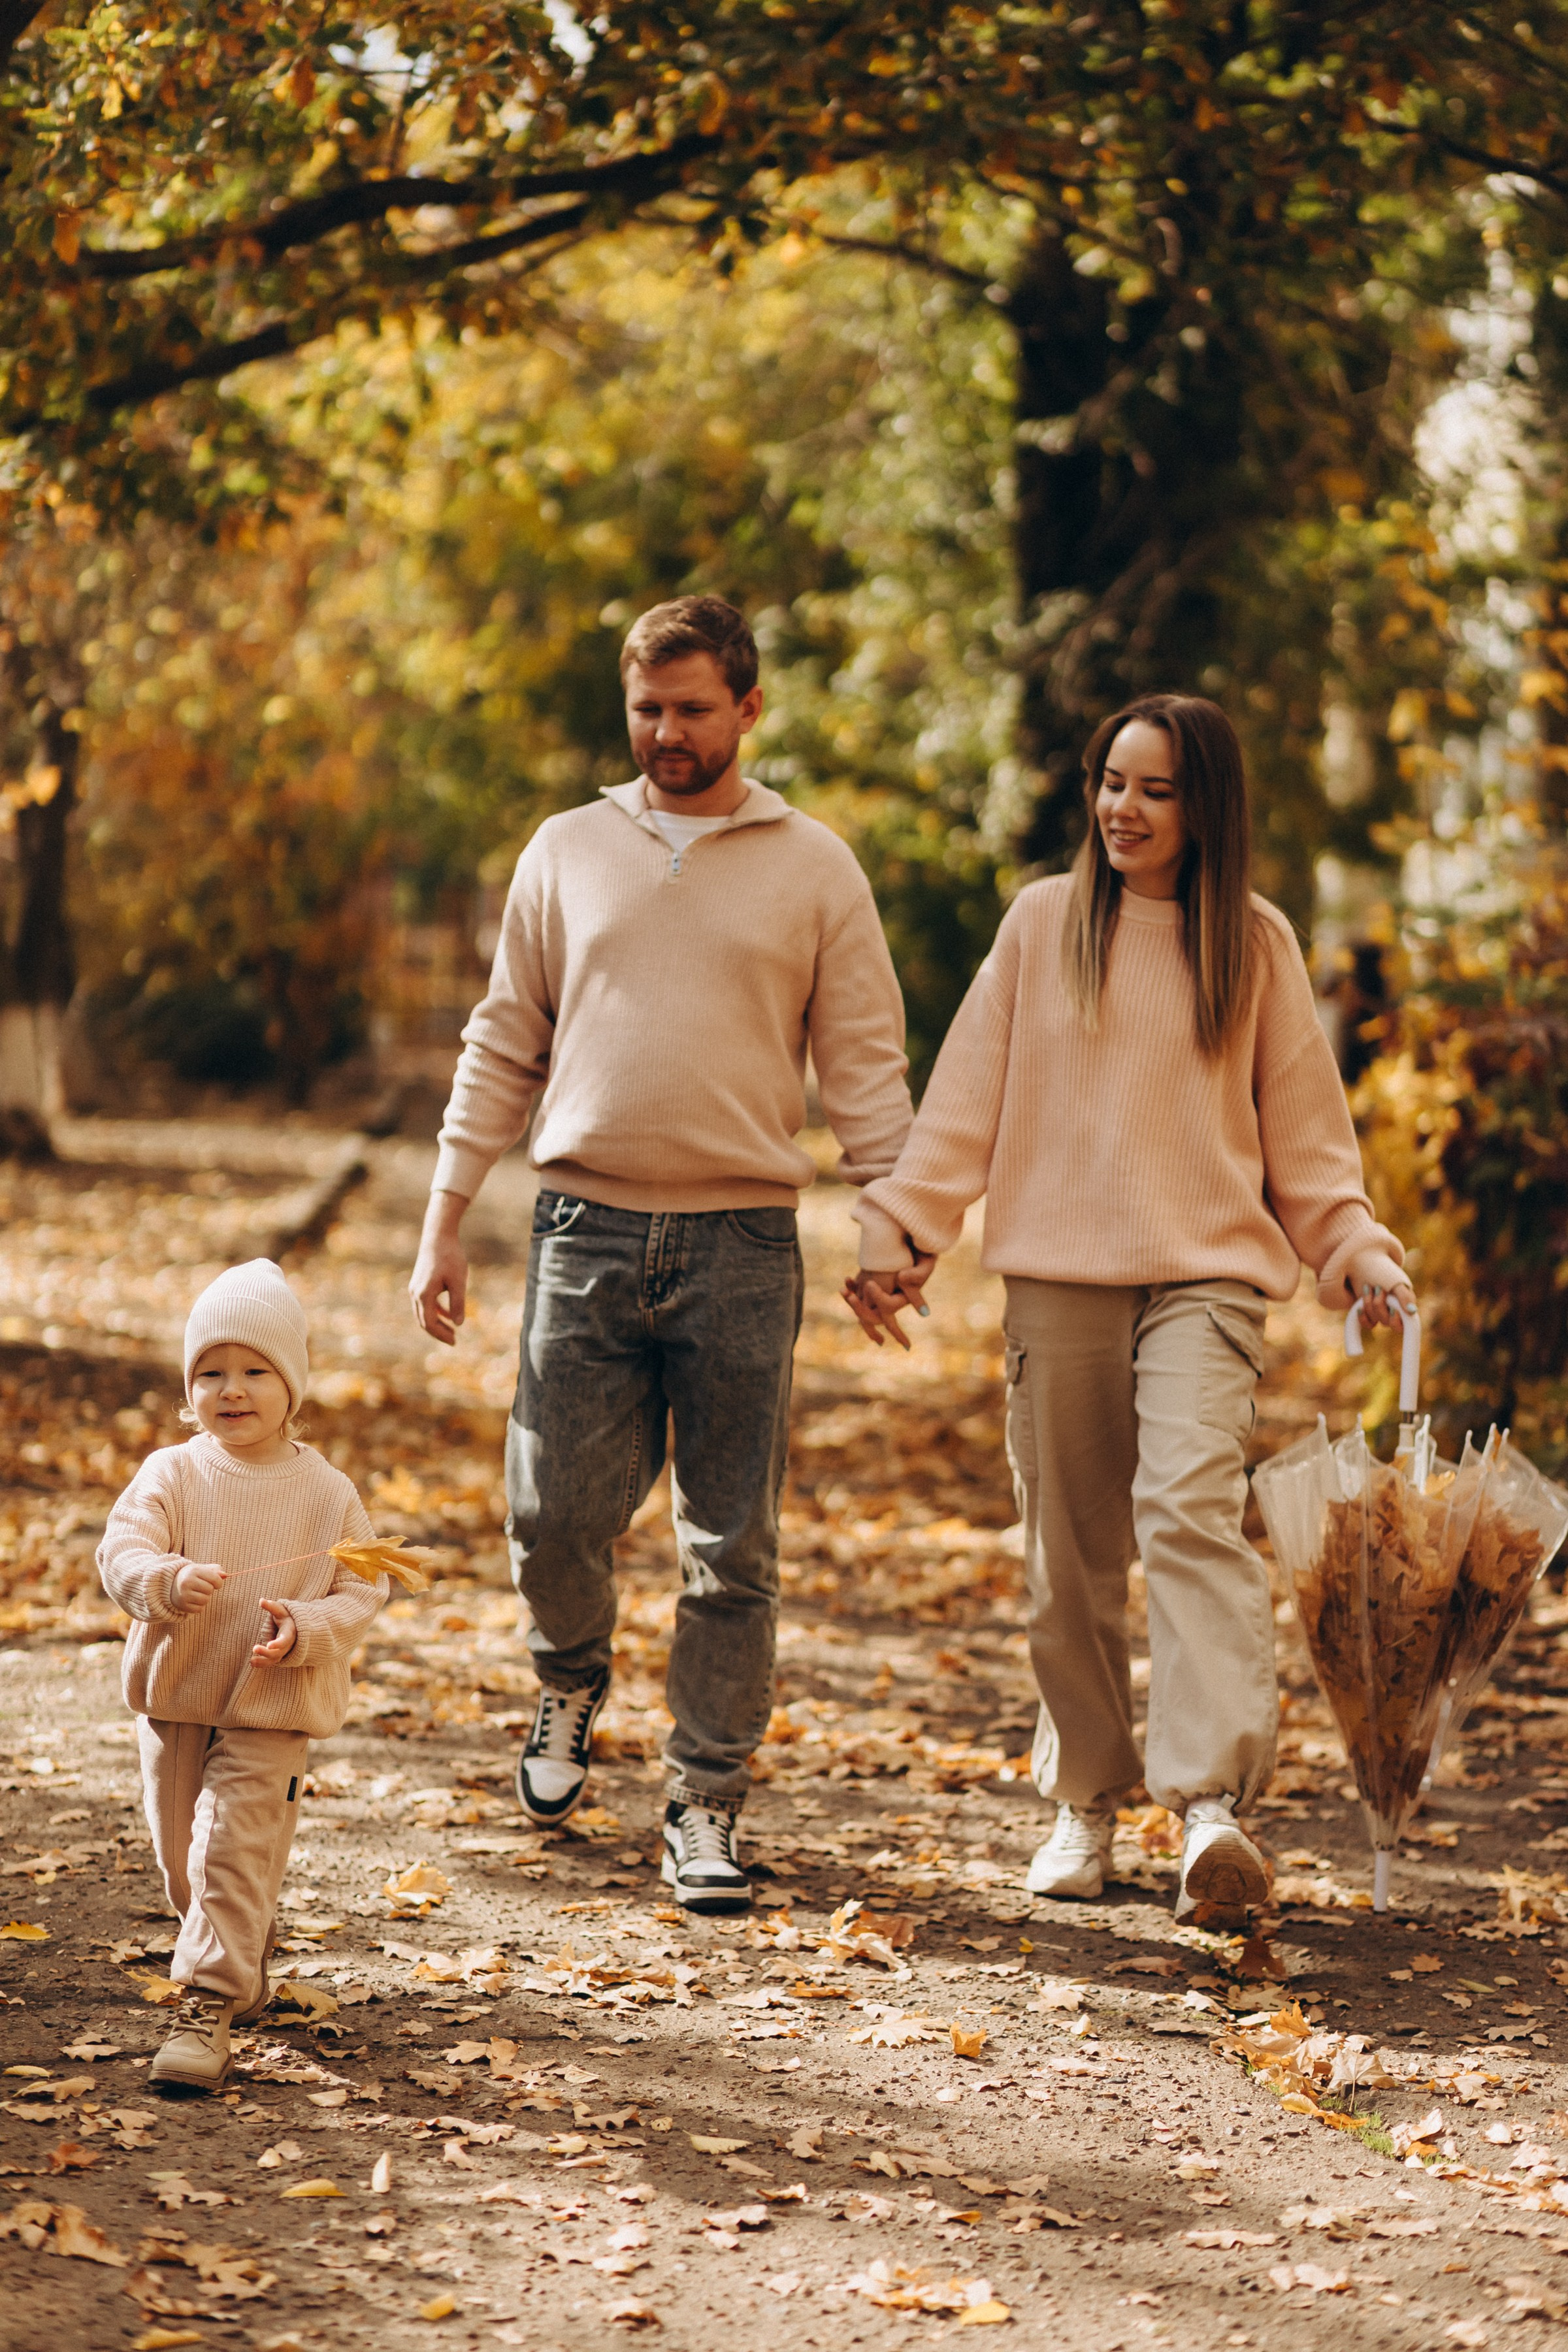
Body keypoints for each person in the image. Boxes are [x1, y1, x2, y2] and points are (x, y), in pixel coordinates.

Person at [843, 694, 1415, 1916]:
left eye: (1156, 790)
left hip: (1207, 1278)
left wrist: (1355, 1247)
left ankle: (1209, 1808)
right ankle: (1086, 1803)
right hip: (1060, 1275)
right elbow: (963, 1107)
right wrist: (900, 1229)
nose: (1125, 809)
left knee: (1189, 1509)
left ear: (1205, 807)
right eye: (1112, 782)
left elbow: (1308, 1140)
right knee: (1069, 1555)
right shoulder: (1042, 923)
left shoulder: (1253, 943)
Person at [409, 595, 912, 1914]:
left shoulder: (816, 867)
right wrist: (445, 1214)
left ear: (749, 708)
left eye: (693, 709)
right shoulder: (566, 849)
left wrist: (890, 1225)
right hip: (583, 1226)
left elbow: (866, 1067)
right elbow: (503, 1040)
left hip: (745, 1242)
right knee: (551, 1513)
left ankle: (705, 1800)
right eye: (648, 708)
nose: (667, 732)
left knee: (729, 1544)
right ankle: (570, 1678)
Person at [97, 1259, 387, 2093]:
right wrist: (162, 1580)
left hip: (273, 1707)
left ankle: (208, 2007)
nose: (232, 1389)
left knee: (232, 1847)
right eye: (211, 1372)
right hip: (177, 1696)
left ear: (292, 1384)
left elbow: (363, 1589)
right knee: (184, 1862)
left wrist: (306, 1627)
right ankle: (239, 1952)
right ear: (189, 1390)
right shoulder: (173, 1473)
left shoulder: (327, 1493)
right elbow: (122, 1549)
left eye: (256, 1370)